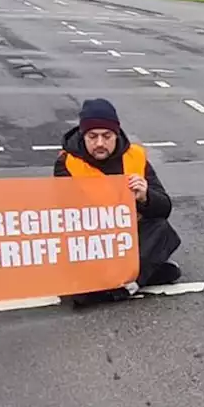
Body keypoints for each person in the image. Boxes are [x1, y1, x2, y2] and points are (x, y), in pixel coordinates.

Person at [54, 98, 182, 305]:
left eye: (107, 136)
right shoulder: (66, 163)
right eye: (92, 136)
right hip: (94, 239)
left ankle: (117, 288)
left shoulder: (135, 157)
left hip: (127, 236)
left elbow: (164, 208)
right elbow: (66, 213)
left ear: (116, 134)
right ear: (82, 135)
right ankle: (142, 275)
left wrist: (145, 197)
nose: (100, 143)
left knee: (162, 230)